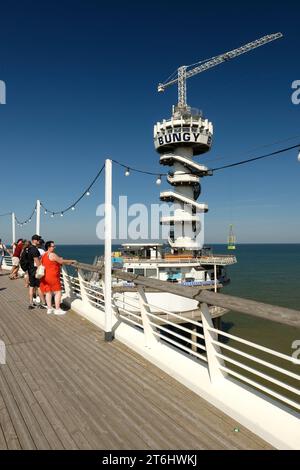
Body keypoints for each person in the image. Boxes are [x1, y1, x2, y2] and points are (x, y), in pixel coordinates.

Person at [40, 241, 76, 315]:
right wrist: (71, 261)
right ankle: (57, 309)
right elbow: (61, 261)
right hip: (53, 276)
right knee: (58, 292)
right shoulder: (52, 254)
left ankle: (49, 309)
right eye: (53, 246)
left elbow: (47, 262)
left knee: (48, 292)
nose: (54, 247)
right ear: (49, 247)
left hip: (45, 276)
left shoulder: (44, 255)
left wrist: (58, 260)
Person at [27, 234, 44, 310]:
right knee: (39, 287)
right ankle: (42, 303)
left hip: (30, 270)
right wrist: (40, 269)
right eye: (38, 240)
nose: (39, 241)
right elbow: (37, 261)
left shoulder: (29, 248)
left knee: (31, 287)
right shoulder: (34, 249)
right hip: (35, 270)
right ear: (34, 240)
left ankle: (30, 304)